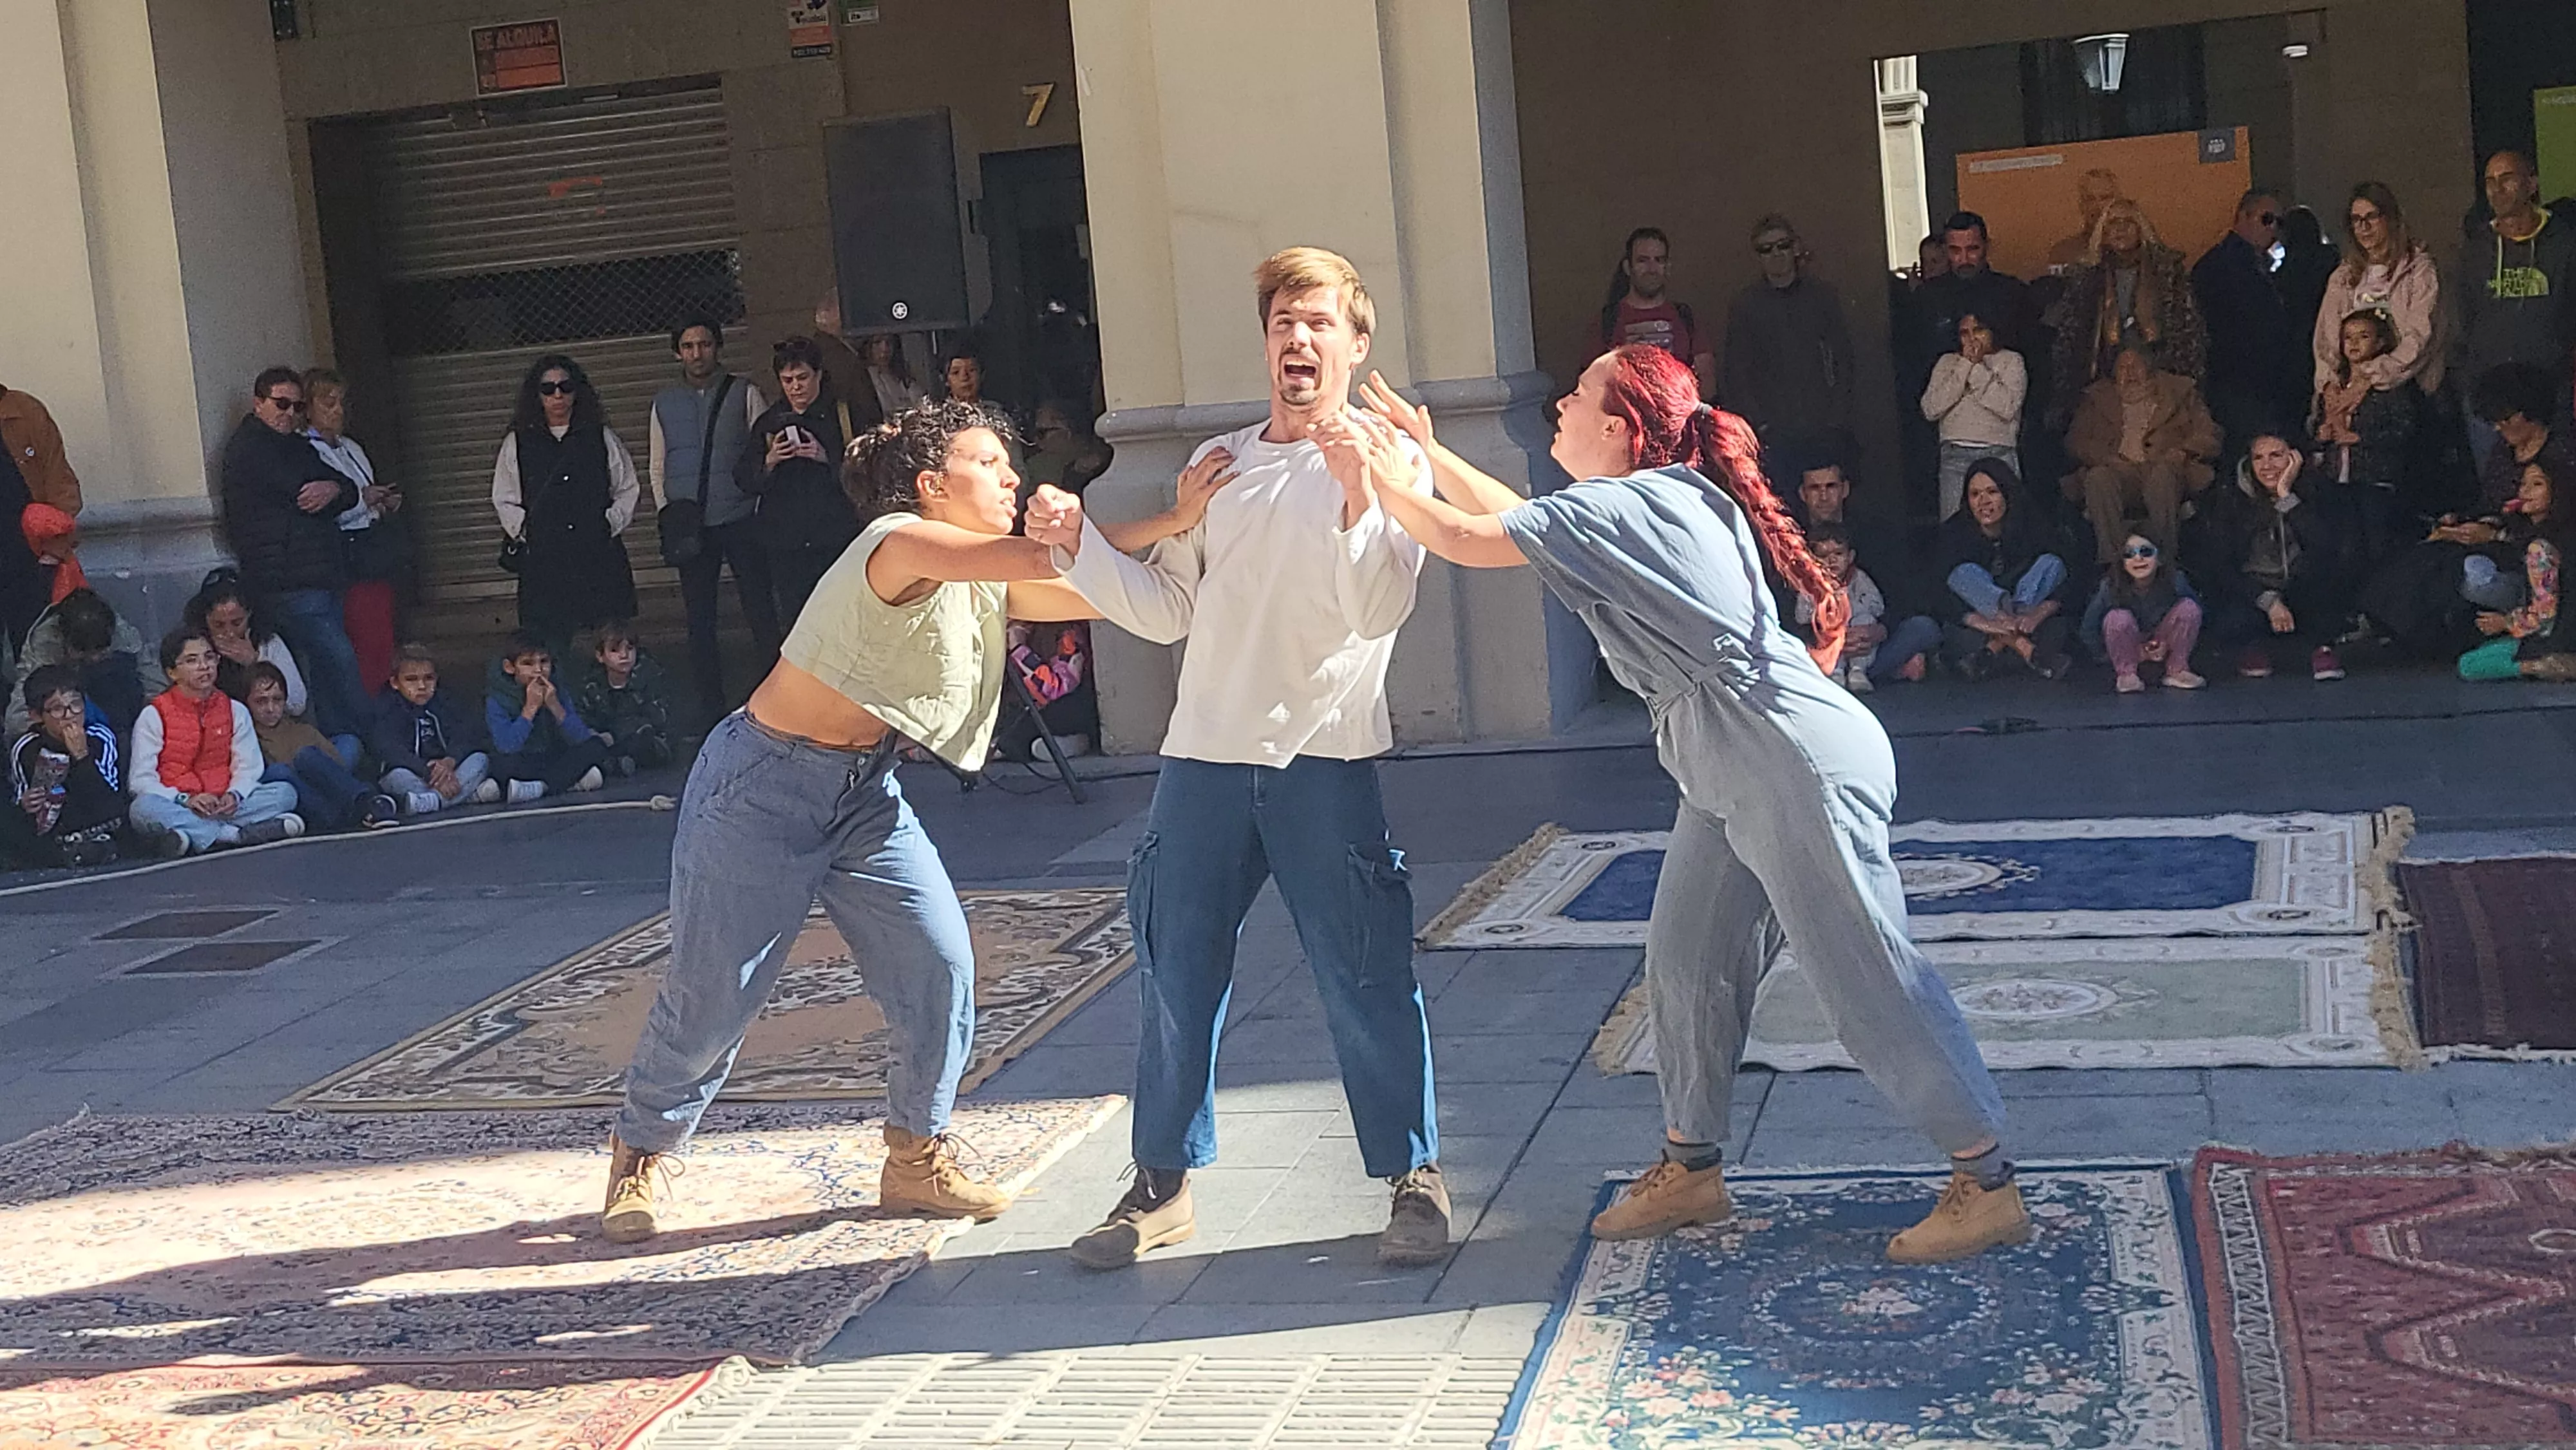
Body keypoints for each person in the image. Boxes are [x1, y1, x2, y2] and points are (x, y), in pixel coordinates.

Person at [1316, 348, 2025, 1263]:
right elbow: (1516, 524)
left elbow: (1464, 542)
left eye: (1575, 396)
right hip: (1739, 756)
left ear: (1617, 428)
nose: (1559, 407)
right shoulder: (1652, 497)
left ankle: (1987, 1176)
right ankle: (1691, 1168)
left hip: (1784, 757)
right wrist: (1429, 456)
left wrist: (1372, 473)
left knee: (1863, 969)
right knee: (1688, 958)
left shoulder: (1639, 501)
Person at [1022, 247, 1452, 1272]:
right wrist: (1079, 543)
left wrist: (1358, 495)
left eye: (1316, 324)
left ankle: (1413, 1177)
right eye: (1280, 325)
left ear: (1355, 342)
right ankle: (1160, 1185)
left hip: (1325, 761)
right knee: (1175, 974)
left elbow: (1381, 606)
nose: (1297, 342)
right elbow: (1168, 612)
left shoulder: (1394, 459)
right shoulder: (1219, 462)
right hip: (1204, 761)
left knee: (1364, 976)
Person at [602, 399, 1106, 1243]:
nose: (1014, 478)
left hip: (863, 795)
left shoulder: (968, 571)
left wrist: (1191, 524)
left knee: (938, 964)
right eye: (992, 465)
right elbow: (1045, 555)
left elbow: (1091, 589)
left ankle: (915, 1157)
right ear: (930, 486)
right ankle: (641, 1149)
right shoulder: (897, 540)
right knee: (714, 997)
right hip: (759, 789)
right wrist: (1080, 524)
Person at [217, 367, 368, 740]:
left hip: (320, 575)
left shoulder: (296, 446)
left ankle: (343, 748)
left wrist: (333, 489)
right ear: (258, 403)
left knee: (326, 671)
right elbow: (300, 491)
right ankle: (369, 743)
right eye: (281, 404)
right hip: (286, 581)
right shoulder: (250, 449)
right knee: (339, 662)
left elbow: (349, 490)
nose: (289, 414)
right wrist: (331, 489)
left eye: (297, 407)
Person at [649, 317, 775, 723]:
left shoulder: (744, 393)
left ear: (717, 348)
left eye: (704, 344)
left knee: (760, 612)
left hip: (741, 517)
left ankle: (774, 701)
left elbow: (764, 453)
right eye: (688, 346)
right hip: (691, 524)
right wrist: (667, 509)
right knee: (699, 621)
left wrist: (759, 504)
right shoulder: (664, 402)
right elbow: (657, 463)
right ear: (677, 352)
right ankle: (710, 712)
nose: (697, 353)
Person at [492, 355, 641, 661]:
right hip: (545, 564)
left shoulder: (600, 436)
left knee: (610, 642)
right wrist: (526, 531)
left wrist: (608, 524)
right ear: (536, 395)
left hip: (598, 557)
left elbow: (627, 487)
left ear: (577, 391)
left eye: (565, 387)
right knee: (549, 648)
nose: (557, 395)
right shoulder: (517, 442)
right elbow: (504, 496)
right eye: (548, 389)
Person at [2201, 429, 2362, 681]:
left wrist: (2287, 497)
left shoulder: (2317, 491)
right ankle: (2254, 645)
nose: (2267, 465)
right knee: (2233, 617)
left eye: (2276, 455)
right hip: (2254, 591)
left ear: (2294, 458)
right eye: (2259, 458)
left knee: (2327, 588)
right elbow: (2221, 565)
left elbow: (2327, 546)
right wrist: (2267, 600)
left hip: (2303, 587)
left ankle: (2322, 646)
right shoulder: (2233, 499)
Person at [129, 626, 305, 854]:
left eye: (209, 657)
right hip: (180, 804)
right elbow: (140, 781)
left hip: (226, 804)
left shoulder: (235, 710)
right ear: (172, 672)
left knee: (285, 793)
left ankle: (195, 835)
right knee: (142, 809)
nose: (204, 666)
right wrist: (185, 799)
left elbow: (249, 766)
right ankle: (234, 835)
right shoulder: (154, 715)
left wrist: (235, 794)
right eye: (192, 661)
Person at [2459, 150, 2576, 478]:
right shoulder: (2476, 248)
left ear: (2532, 184)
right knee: (2498, 497)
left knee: (2555, 495)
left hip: (2549, 398)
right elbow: (2467, 317)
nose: (2497, 189)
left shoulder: (2565, 244)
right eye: (2490, 182)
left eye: (2507, 178)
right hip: (2488, 397)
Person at [2047, 198, 2206, 430]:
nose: (2120, 229)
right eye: (2112, 223)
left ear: (2141, 228)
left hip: (2161, 377)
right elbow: (2072, 337)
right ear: (2103, 230)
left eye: (2128, 222)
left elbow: (2188, 332)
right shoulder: (2087, 277)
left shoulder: (2168, 273)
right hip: (2103, 378)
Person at [740, 337, 864, 626]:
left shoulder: (844, 415)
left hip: (835, 536)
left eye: (802, 378)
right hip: (787, 542)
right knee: (798, 621)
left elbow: (868, 473)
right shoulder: (770, 422)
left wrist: (827, 458)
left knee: (843, 615)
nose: (796, 387)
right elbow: (744, 478)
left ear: (818, 375)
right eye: (787, 380)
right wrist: (770, 461)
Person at [2065, 346, 2221, 563]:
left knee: (2163, 475)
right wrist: (2104, 458)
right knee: (2098, 478)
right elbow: (2076, 441)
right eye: (2122, 368)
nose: (2129, 373)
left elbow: (2210, 434)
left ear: (2150, 369)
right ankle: (2113, 565)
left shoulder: (2179, 392)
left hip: (2166, 469)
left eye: (2135, 366)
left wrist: (2183, 452)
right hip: (2118, 471)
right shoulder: (2097, 398)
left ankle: (2165, 563)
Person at [303, 369, 404, 697]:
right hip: (347, 554)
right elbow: (330, 509)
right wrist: (364, 501)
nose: (338, 411)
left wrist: (384, 502)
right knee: (361, 638)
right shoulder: (308, 450)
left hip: (374, 550)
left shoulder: (351, 447)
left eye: (341, 403)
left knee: (382, 635)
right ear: (308, 408)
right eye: (328, 403)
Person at [1721, 214, 1853, 457]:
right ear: (1757, 256)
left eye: (1783, 245)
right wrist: (1760, 424)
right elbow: (1737, 371)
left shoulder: (1822, 297)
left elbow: (1843, 360)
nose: (1776, 254)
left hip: (1824, 427)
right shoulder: (1746, 305)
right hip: (1774, 434)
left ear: (1796, 247)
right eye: (1766, 249)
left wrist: (1836, 419)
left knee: (1826, 493)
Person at [1937, 459, 2074, 679]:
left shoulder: (2032, 524)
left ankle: (1992, 651)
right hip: (1982, 618)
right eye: (1975, 495)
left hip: (2028, 612)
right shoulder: (1955, 533)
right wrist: (1984, 622)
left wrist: (2037, 614)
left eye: (1992, 492)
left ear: (2007, 494)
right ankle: (2027, 651)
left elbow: (2069, 581)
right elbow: (1936, 592)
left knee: (2052, 563)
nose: (1984, 502)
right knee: (1962, 573)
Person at [2193, 191, 2304, 458]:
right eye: (2267, 219)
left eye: (2279, 222)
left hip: (2267, 386)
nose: (2273, 228)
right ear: (2243, 216)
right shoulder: (2218, 266)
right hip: (2239, 386)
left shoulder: (2264, 266)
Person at [2313, 184, 2444, 402]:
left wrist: (2373, 376)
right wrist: (2329, 386)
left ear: (2391, 219)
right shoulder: (2343, 276)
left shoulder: (2419, 270)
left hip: (2406, 389)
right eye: (2356, 220)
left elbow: (2421, 336)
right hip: (2350, 388)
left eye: (2371, 217)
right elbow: (2326, 339)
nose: (2364, 227)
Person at [2458, 453, 2576, 680]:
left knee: (2470, 664)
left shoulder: (2540, 548)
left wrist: (2505, 623)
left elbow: (2545, 614)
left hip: (2561, 637)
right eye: (2523, 484)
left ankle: (2549, 666)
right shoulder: (2562, 533)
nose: (2525, 491)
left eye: (2537, 484)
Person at [245, 662, 399, 831]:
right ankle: (364, 803)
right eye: (261, 702)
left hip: (331, 787)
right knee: (278, 771)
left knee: (342, 744)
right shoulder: (245, 733)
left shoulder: (301, 729)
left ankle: (364, 801)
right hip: (310, 804)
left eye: (277, 700)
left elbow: (333, 767)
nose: (270, 709)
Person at [2315, 310, 2418, 560]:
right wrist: (2321, 434)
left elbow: (2405, 431)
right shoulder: (2333, 388)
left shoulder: (2388, 388)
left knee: (2375, 547)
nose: (2353, 343)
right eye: (2347, 337)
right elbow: (2315, 429)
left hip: (2375, 480)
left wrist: (2360, 438)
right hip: (2337, 479)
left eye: (2363, 336)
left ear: (2381, 342)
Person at [6, 665, 124, 868]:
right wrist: (26, 803)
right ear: (36, 715)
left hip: (95, 817)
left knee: (119, 820)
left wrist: (82, 756)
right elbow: (21, 796)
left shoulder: (100, 737)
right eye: (58, 709)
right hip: (53, 826)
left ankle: (83, 849)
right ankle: (69, 852)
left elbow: (109, 799)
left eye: (76, 705)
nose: (70, 715)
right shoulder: (26, 747)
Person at [3, 588, 158, 740]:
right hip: (65, 700)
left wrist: (154, 715)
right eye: (84, 650)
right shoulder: (46, 644)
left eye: (100, 649)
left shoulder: (122, 635)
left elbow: (152, 679)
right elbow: (20, 713)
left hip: (114, 696)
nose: (95, 658)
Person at [1799, 523, 1937, 691]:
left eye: (1838, 554)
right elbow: (1801, 617)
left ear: (1850, 557)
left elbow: (1877, 606)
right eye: (1823, 555)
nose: (1832, 560)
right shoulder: (1811, 585)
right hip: (1827, 646)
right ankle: (1839, 673)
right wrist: (1824, 618)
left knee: (1923, 628)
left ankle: (1859, 672)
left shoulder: (1859, 578)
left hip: (1863, 642)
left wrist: (1855, 616)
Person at [1920, 310, 2026, 520]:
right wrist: (1965, 366)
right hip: (1955, 454)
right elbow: (1931, 409)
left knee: (2008, 522)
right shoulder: (1947, 363)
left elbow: (2007, 407)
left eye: (1978, 330)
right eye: (1964, 333)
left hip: (1999, 453)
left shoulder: (2011, 361)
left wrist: (1977, 369)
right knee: (1954, 525)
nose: (1971, 338)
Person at [482, 632, 611, 804]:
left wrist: (555, 706)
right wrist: (530, 709)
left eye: (544, 662)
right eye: (528, 664)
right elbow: (507, 746)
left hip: (553, 756)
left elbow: (581, 737)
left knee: (596, 746)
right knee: (499, 765)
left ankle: (540, 788)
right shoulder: (497, 698)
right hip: (522, 759)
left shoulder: (556, 688)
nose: (538, 670)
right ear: (510, 667)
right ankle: (567, 784)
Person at [370, 643, 496, 815]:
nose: (421, 686)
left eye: (428, 678)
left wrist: (450, 761)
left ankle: (432, 801)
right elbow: (390, 750)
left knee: (480, 760)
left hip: (449, 771)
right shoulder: (385, 708)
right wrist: (428, 773)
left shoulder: (447, 702)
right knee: (397, 777)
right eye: (411, 679)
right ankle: (466, 796)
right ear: (395, 683)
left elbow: (467, 735)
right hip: (415, 772)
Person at [1596, 227, 1716, 400]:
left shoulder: (1686, 318)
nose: (1652, 269)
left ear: (1668, 267)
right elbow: (1592, 389)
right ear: (1628, 267)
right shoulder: (1607, 321)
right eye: (1643, 261)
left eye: (1659, 260)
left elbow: (1708, 385)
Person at [2079, 534, 2205, 692]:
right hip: (2128, 651)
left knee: (2189, 608)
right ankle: (2127, 676)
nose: (2138, 558)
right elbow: (2088, 629)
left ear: (2160, 559)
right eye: (2129, 554)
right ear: (2123, 563)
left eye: (2146, 552)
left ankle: (2178, 670)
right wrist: (2106, 655)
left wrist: (2169, 644)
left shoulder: (2175, 581)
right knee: (2117, 617)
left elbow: (2198, 615)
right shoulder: (2110, 587)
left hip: (2164, 646)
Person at [572, 619, 676, 775]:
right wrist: (595, 733)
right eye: (615, 650)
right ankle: (614, 762)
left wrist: (616, 734)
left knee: (645, 741)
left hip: (649, 740)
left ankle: (617, 761)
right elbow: (583, 715)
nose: (624, 655)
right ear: (601, 656)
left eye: (630, 648)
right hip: (605, 739)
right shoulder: (592, 685)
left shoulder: (650, 676)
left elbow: (657, 718)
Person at [2046, 168, 2126, 274]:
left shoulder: (2136, 248)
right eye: (2090, 199)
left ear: (2119, 202)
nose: (2098, 206)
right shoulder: (2063, 252)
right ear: (2081, 205)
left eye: (2105, 198)